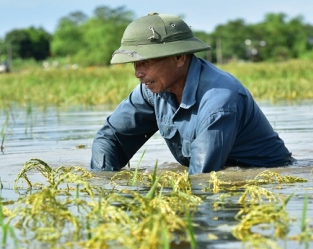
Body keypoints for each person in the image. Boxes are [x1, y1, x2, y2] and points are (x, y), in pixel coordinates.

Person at [90, 12, 293, 175]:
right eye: (134, 63)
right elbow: (110, 139)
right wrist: (106, 187)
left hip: (266, 177)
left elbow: (202, 179)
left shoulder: (219, 100)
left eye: (146, 62)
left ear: (179, 57)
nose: (137, 73)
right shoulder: (152, 90)